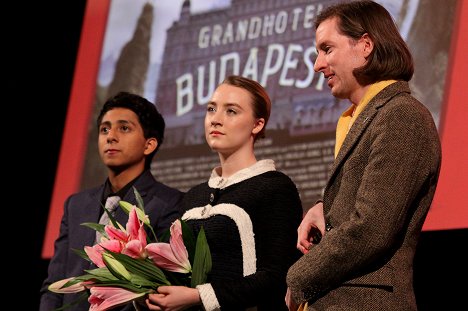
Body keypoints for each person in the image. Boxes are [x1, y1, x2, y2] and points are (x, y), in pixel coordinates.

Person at [285, 1, 442, 310]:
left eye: (327, 49)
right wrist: (324, 208)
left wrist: (298, 277)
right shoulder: (358, 119)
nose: (317, 64)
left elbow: (372, 227)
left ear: (366, 45)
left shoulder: (401, 115)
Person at [145, 75, 303, 311]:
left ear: (257, 124)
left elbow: (277, 276)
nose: (215, 120)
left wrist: (198, 297)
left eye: (231, 111)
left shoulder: (275, 188)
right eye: (211, 109)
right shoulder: (193, 197)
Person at [39, 91, 184, 311]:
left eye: (124, 128)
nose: (110, 136)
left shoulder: (169, 203)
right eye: (104, 129)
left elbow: (161, 287)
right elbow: (55, 283)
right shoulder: (75, 205)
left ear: (149, 145)